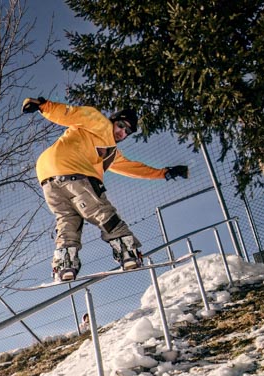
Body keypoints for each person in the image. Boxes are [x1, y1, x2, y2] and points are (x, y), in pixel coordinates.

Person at [22, 97, 189, 282]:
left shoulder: (112, 154)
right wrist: (43, 106)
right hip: (72, 170)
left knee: (68, 220)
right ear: (113, 120)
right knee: (103, 213)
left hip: (48, 178)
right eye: (121, 125)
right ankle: (128, 253)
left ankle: (64, 265)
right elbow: (69, 114)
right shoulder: (97, 121)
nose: (122, 132)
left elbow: (133, 168)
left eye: (128, 131)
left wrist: (163, 173)